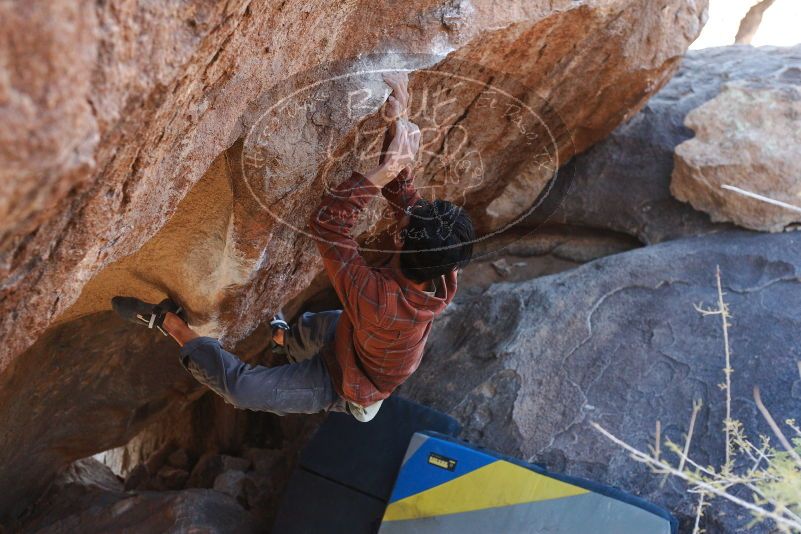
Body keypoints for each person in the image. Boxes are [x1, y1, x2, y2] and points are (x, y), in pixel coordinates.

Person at [111, 73, 475, 422]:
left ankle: (169, 322)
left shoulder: (378, 301)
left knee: (242, 389)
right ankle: (281, 339)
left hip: (342, 384)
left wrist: (384, 172)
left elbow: (330, 223)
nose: (410, 211)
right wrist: (401, 117)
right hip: (350, 332)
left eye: (409, 222)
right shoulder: (441, 263)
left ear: (400, 240)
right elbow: (405, 199)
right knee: (301, 333)